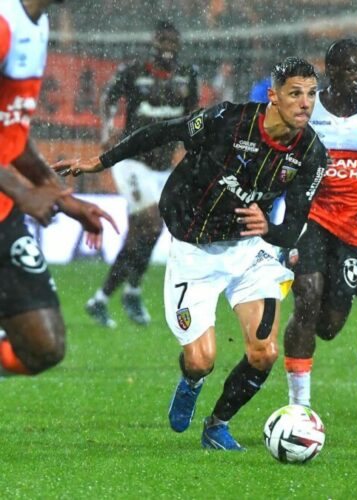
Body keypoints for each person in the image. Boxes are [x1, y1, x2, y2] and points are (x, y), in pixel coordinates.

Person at [53, 57, 328, 450]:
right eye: (295, 93)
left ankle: (218, 425)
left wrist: (270, 228)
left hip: (251, 252)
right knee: (201, 359)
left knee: (264, 352)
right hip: (194, 250)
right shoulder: (229, 121)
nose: (305, 103)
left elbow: (292, 226)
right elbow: (163, 132)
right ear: (273, 96)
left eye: (312, 94)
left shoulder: (312, 154)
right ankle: (192, 382)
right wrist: (100, 161)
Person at [0, 0, 116, 378]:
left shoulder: (37, 25)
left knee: (43, 347)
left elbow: (13, 132)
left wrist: (64, 199)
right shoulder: (3, 23)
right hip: (11, 199)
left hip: (4, 213)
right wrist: (23, 193)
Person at [283, 39, 357, 408]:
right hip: (311, 218)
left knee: (330, 325)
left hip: (356, 227)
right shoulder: (307, 108)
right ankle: (298, 406)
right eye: (353, 70)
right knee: (306, 298)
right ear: (331, 71)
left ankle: (312, 334)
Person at [85, 20, 199, 328]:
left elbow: (194, 117)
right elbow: (108, 98)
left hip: (162, 167)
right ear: (153, 42)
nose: (167, 47)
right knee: (150, 221)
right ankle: (126, 292)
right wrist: (107, 130)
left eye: (172, 42)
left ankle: (106, 297)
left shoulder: (188, 76)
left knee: (148, 231)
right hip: (131, 160)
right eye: (162, 40)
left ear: (178, 45)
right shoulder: (134, 72)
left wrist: (190, 149)